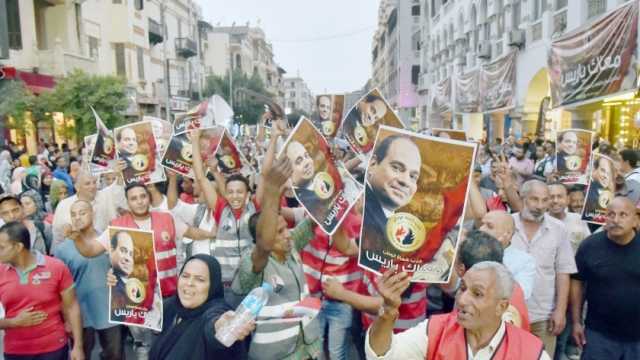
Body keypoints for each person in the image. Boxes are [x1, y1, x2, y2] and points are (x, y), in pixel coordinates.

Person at [232, 156, 323, 360]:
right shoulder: (252, 263)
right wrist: (272, 191)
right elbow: (264, 247)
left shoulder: (290, 246)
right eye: (279, 232)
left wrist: (327, 173)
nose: (288, 234)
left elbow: (315, 219)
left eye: (286, 229)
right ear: (260, 237)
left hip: (309, 349)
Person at [364, 262, 549, 359]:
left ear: (501, 306)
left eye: (477, 294)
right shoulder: (436, 329)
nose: (462, 300)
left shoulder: (530, 352)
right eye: (462, 289)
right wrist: (388, 311)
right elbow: (382, 355)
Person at [363, 135, 467, 266]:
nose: (405, 181)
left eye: (413, 176)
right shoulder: (357, 209)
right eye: (396, 167)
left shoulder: (397, 224)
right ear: (372, 164)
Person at [0, 221, 84, 360]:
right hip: (15, 351)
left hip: (54, 349)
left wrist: (78, 347)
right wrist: (14, 322)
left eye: (1, 247)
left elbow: (72, 307)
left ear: (18, 247)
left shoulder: (56, 267)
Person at [510, 180, 576, 356]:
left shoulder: (558, 229)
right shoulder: (507, 224)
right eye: (534, 199)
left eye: (544, 200)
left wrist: (560, 311)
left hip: (543, 316)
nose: (540, 206)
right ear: (523, 198)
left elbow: (563, 271)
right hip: (507, 313)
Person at [570, 197, 640, 360]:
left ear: (635, 221)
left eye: (623, 215)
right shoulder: (590, 246)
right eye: (611, 214)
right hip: (599, 336)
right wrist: (576, 322)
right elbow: (577, 281)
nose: (616, 220)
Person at [149, 255, 253, 359]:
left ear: (213, 285)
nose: (189, 283)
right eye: (185, 276)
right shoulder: (172, 306)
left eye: (200, 279)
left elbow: (213, 324)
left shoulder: (216, 309)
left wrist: (221, 327)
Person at [53, 200, 122, 360]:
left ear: (93, 213)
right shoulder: (62, 250)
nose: (77, 217)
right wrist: (66, 319)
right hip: (81, 315)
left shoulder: (109, 239)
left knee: (115, 355)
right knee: (82, 354)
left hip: (110, 311)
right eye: (73, 214)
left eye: (82, 212)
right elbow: (60, 290)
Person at [52, 167, 126, 251]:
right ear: (77, 187)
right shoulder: (64, 205)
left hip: (104, 251)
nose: (92, 186)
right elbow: (57, 234)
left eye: (94, 182)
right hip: (75, 253)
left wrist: (120, 173)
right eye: (87, 184)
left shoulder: (106, 196)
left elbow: (117, 189)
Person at [478, 210, 536, 300]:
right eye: (482, 224)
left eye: (489, 226)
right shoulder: (472, 250)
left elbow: (522, 293)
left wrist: (496, 254)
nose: (481, 229)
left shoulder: (525, 261)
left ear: (507, 234)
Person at [548, 184, 591, 253]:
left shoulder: (578, 218)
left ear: (568, 199)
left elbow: (589, 245)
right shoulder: (538, 222)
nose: (555, 201)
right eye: (551, 197)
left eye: (560, 196)